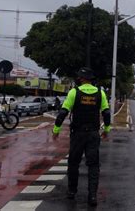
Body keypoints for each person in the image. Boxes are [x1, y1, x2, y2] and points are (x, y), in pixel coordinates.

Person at [52, 67, 111, 206]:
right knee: (93, 165)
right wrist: (107, 129)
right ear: (91, 79)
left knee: (73, 163)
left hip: (77, 134)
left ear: (81, 79)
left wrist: (56, 129)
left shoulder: (74, 92)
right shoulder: (100, 93)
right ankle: (92, 197)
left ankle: (72, 192)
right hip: (93, 134)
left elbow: (63, 113)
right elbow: (107, 113)